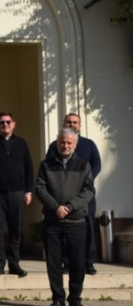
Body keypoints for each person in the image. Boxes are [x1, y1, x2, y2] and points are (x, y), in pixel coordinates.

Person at [37, 128, 95, 306]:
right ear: (57, 143)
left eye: (70, 142)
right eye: (63, 142)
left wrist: (69, 207)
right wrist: (55, 207)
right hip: (53, 222)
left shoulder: (84, 165)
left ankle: (75, 299)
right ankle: (58, 299)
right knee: (53, 263)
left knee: (77, 262)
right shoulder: (46, 165)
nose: (66, 145)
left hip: (76, 222)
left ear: (75, 144)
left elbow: (88, 191)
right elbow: (40, 188)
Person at [45, 113, 102, 275]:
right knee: (63, 231)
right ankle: (67, 261)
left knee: (89, 227)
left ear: (80, 125)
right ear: (63, 124)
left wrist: (84, 182)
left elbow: (96, 165)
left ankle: (89, 262)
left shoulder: (89, 144)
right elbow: (50, 168)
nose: (72, 124)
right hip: (62, 197)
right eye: (69, 122)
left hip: (85, 195)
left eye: (75, 122)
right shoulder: (55, 145)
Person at [0, 112, 34, 277]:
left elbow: (29, 168)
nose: (5, 125)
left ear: (14, 124)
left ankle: (14, 263)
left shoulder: (21, 143)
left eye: (8, 122)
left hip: (17, 193)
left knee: (15, 229)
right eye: (1, 123)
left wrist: (29, 191)